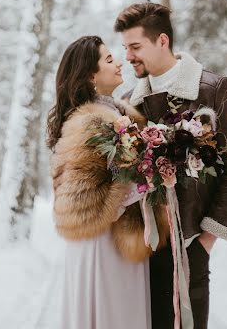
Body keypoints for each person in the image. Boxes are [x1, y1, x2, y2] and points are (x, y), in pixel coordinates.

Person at [114, 2, 227, 329]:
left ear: (162, 41)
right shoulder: (127, 102)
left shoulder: (213, 89)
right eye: (125, 48)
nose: (129, 56)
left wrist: (206, 240)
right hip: (141, 252)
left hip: (188, 246)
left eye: (136, 47)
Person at [47, 35, 169, 329]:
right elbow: (85, 199)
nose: (119, 64)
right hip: (102, 245)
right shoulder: (90, 122)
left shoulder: (119, 116)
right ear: (91, 75)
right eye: (109, 59)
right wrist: (150, 179)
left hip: (119, 242)